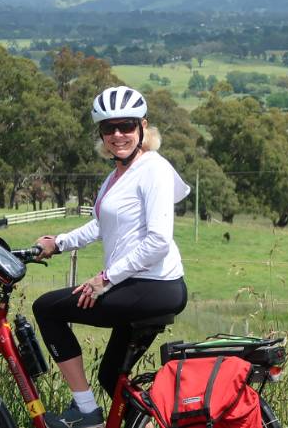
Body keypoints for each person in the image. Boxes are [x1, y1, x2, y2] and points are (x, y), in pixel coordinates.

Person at [32, 85, 191, 428]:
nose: (118, 134)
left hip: (155, 285)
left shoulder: (154, 170)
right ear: (101, 134)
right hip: (137, 284)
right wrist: (57, 243)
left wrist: (105, 279)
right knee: (111, 378)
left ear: (142, 127)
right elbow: (100, 226)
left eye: (127, 126)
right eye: (109, 128)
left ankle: (86, 412)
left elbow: (158, 241)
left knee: (46, 309)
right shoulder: (115, 176)